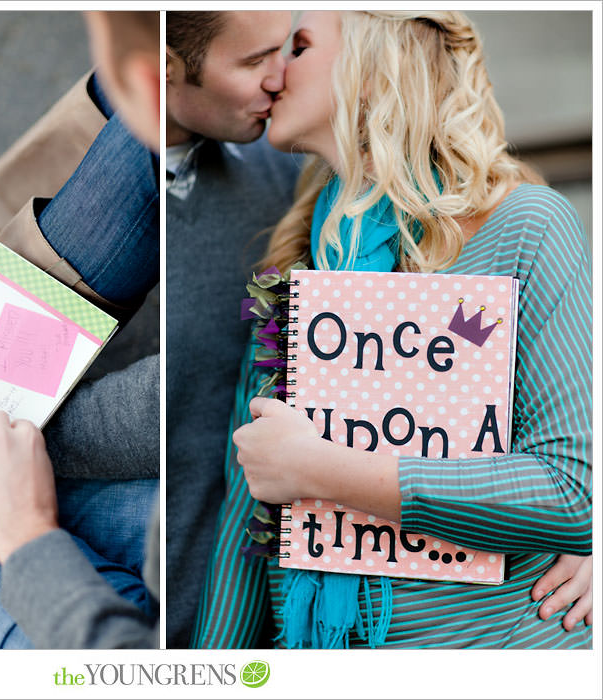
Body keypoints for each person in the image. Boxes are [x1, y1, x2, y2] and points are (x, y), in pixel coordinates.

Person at [193, 10, 592, 648]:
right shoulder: (299, 263)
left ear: (374, 65)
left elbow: (573, 493)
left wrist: (326, 470)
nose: (274, 73)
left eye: (298, 46)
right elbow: (249, 514)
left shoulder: (523, 226)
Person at [0, 11, 162, 648]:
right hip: (263, 512)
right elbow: (222, 388)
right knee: (148, 106)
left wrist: (24, 531)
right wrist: (24, 434)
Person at [164, 10, 303, 647]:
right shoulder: (63, 204)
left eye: (288, 48)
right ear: (166, 71)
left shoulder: (286, 167)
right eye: (254, 62)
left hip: (278, 597)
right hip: (163, 607)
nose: (282, 78)